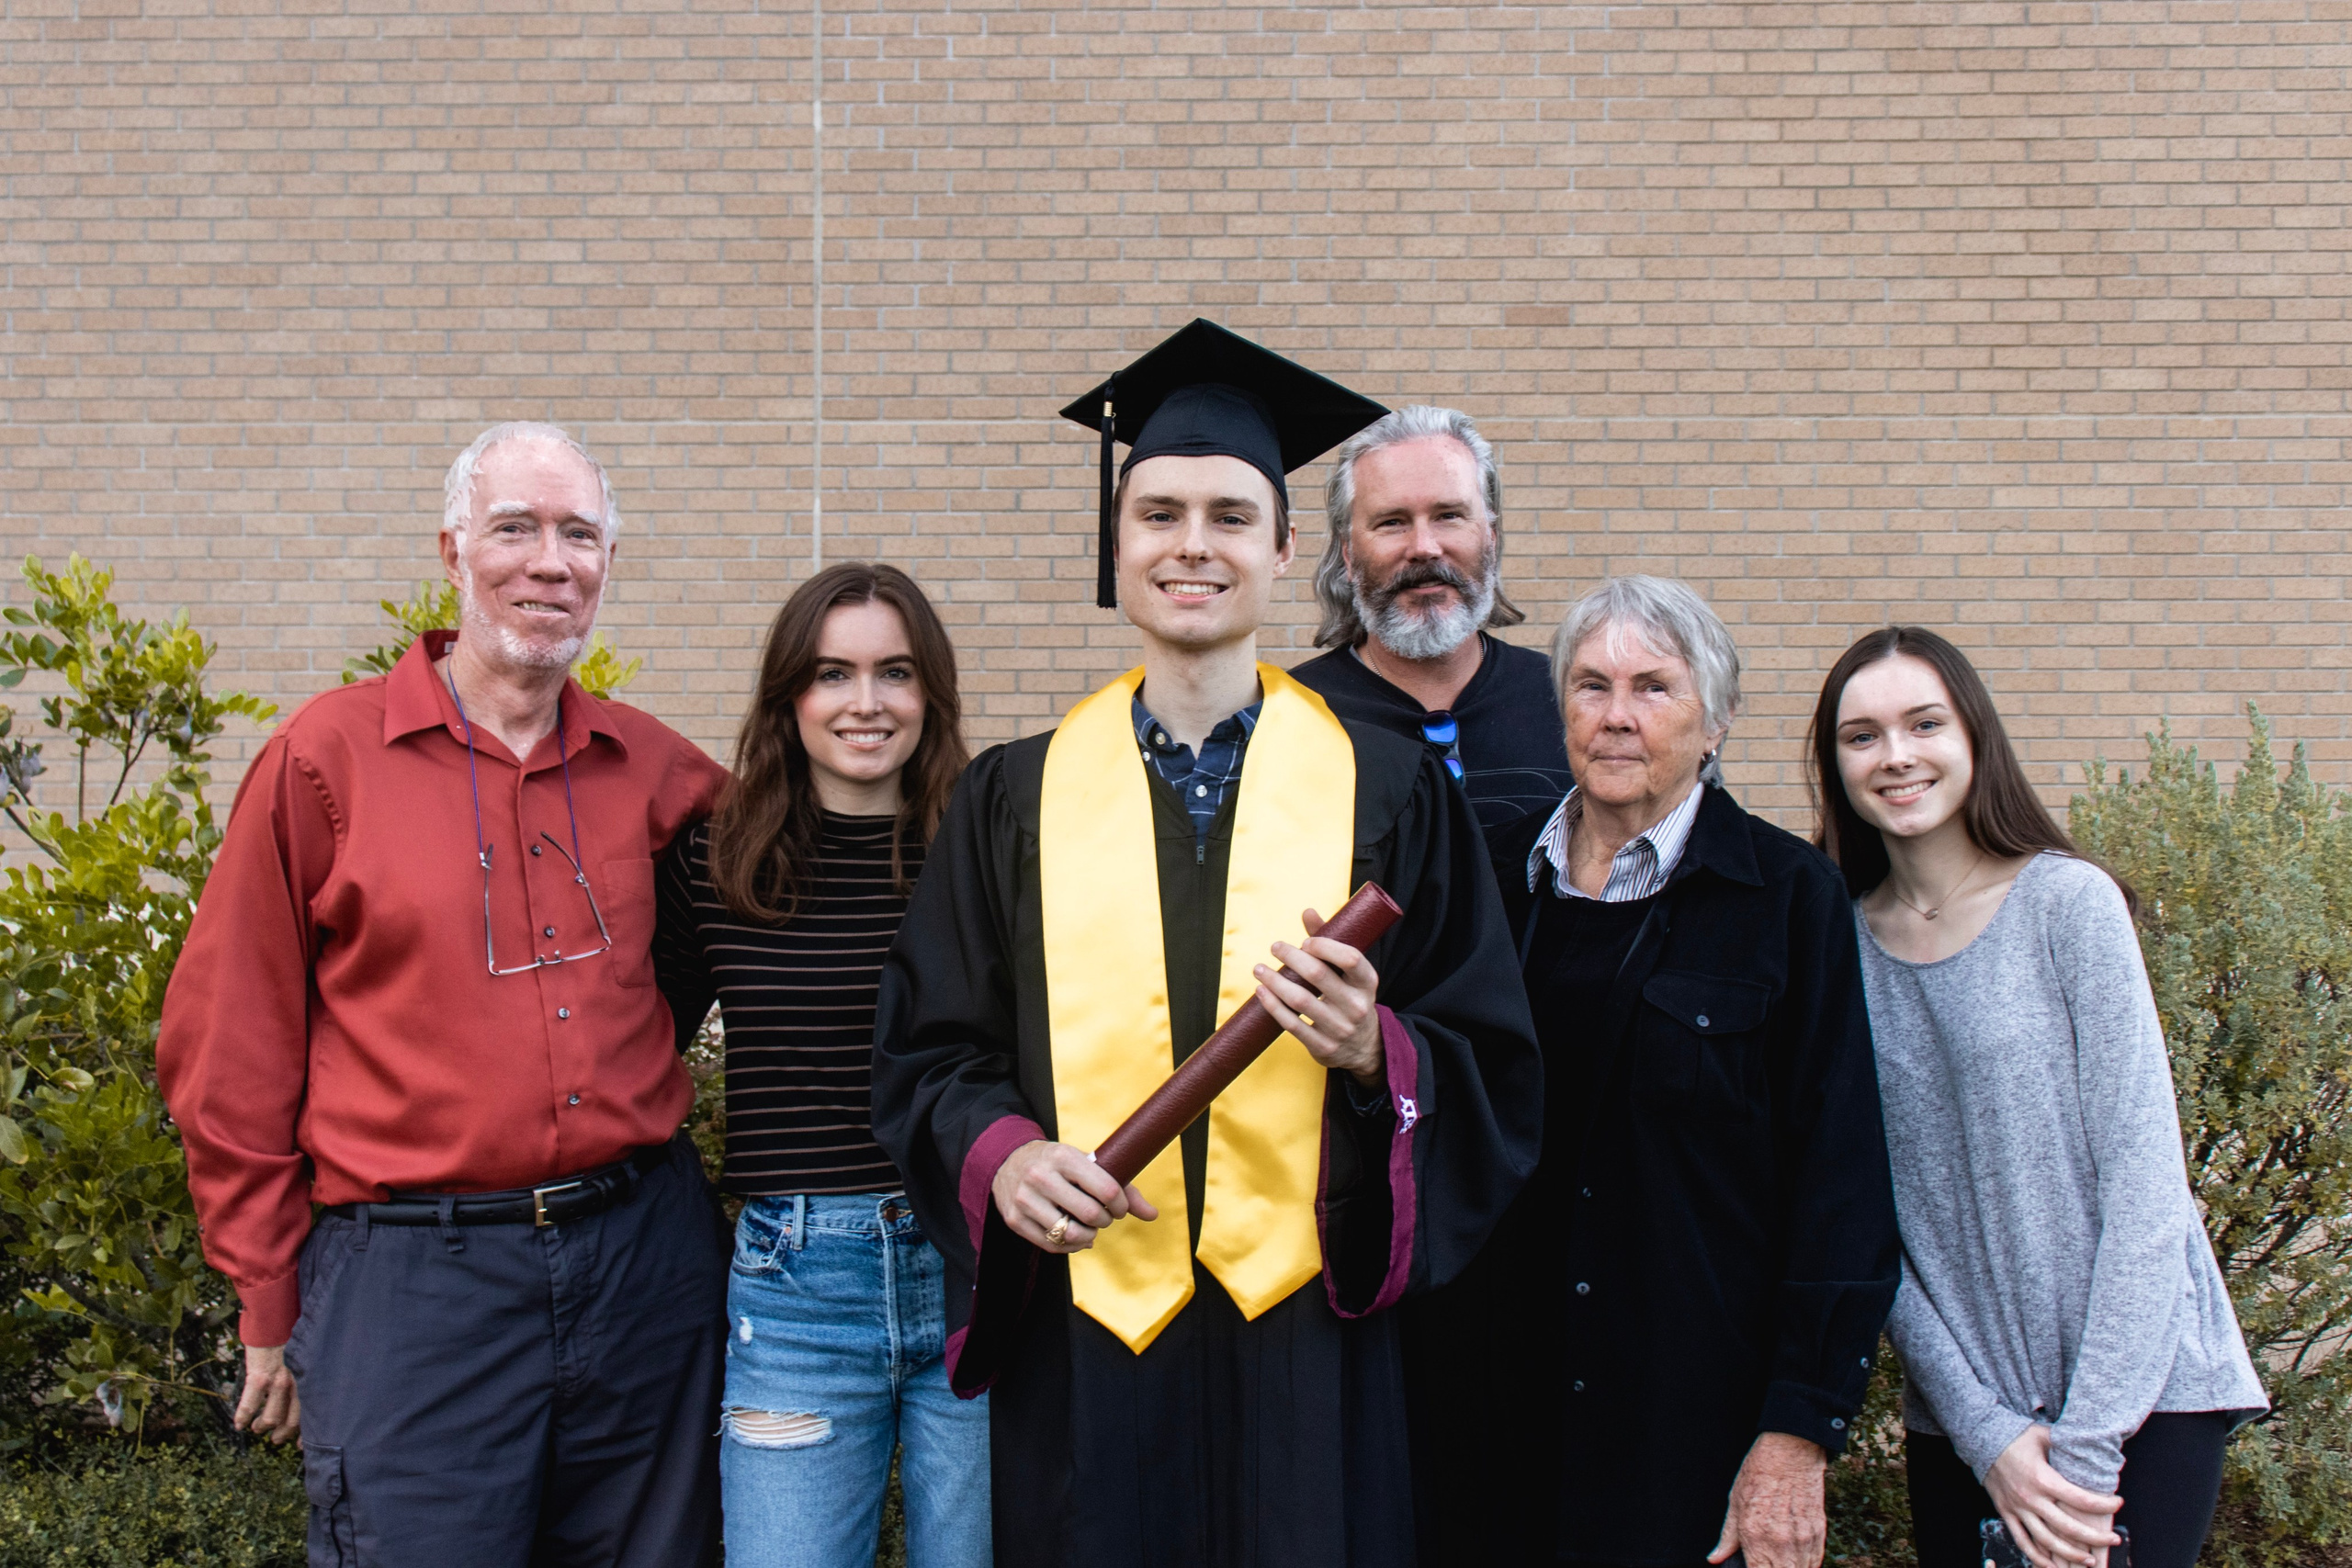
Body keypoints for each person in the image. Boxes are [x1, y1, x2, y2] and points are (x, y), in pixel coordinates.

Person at [869, 319, 1543, 1568]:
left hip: (1310, 1346)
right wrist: (1003, 1156)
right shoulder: (1012, 796)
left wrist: (1374, 1050)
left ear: (1288, 553)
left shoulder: (1387, 790)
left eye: (1232, 516)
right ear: (1115, 545)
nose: (1193, 545)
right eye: (1161, 513)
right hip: (1090, 1342)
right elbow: (930, 1051)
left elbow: (1490, 1052)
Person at [155, 423, 732, 1567]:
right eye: (514, 528)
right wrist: (267, 1295)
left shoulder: (658, 771)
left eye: (579, 534)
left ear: (608, 562)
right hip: (417, 1283)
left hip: (644, 1267)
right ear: (453, 551)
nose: (549, 561)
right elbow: (232, 1046)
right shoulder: (325, 762)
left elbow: (794, 902)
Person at [1420, 574, 1901, 1568]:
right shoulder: (1488, 879)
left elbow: (1841, 1183)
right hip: (1483, 1423)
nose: (1616, 717)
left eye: (1653, 688)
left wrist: (1796, 1433)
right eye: (1591, 687)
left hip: (1687, 1429)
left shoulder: (1785, 901)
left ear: (1714, 720)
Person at [1811, 626, 2267, 1568]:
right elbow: (1865, 1224)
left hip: (2142, 1404)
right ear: (1834, 763)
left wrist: (2089, 1452)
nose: (1895, 755)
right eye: (1862, 736)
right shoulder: (1833, 951)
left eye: (1922, 723)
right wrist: (1986, 1436)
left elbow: (2147, 1191)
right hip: (1968, 1423)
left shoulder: (2068, 906)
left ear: (1974, 736)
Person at [652, 563, 989, 1568]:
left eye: (894, 673)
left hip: (977, 1267)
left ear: (929, 693)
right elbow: (629, 1051)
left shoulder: (985, 847)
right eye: (832, 674)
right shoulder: (714, 858)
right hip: (796, 1287)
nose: (865, 703)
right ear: (788, 696)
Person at [1289, 404, 1572, 837]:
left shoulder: (1568, 704)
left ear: (1491, 538)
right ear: (1348, 554)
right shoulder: (1289, 720)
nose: (1424, 547)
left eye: (1449, 516)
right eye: (1391, 522)